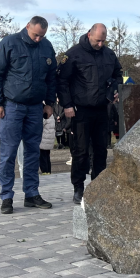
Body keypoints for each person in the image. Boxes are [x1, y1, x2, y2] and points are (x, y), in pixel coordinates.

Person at [0, 16, 57, 214]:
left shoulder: (46, 46)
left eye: (42, 36)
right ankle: (7, 196)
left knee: (33, 152)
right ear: (27, 26)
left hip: (36, 108)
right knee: (8, 153)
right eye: (36, 35)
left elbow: (52, 77)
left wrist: (50, 103)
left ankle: (31, 193)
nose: (38, 39)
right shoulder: (9, 43)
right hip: (12, 107)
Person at [56, 24, 123, 205]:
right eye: (97, 40)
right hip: (80, 110)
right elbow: (61, 81)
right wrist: (67, 105)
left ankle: (98, 186)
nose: (100, 44)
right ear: (89, 35)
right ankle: (78, 187)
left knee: (101, 150)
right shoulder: (73, 54)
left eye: (103, 40)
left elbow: (118, 74)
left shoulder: (109, 54)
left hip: (102, 109)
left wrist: (115, 89)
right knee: (81, 151)